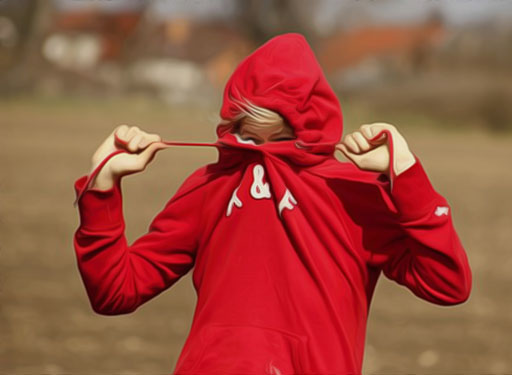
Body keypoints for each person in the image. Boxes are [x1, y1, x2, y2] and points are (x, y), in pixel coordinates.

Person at [72, 33, 472, 375]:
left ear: (311, 125)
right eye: (248, 137)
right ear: (231, 126)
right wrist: (102, 189)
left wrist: (407, 175)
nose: (265, 154)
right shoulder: (209, 185)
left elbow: (447, 284)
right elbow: (114, 293)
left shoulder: (355, 191)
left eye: (280, 139)